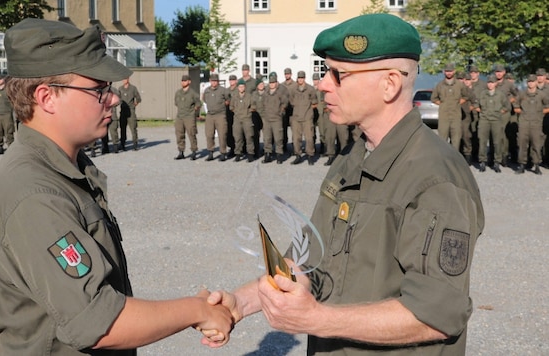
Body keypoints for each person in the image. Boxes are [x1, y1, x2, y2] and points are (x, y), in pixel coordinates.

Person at [203, 13, 484, 355]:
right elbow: (309, 261)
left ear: (390, 84)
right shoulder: (352, 159)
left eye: (338, 74)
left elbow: (435, 315)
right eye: (325, 72)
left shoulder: (435, 179)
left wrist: (317, 319)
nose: (323, 84)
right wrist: (241, 304)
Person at [0, 18, 233, 355]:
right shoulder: (34, 194)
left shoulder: (64, 167)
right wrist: (197, 310)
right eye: (98, 89)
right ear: (47, 97)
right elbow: (99, 323)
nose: (112, 99)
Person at [513, 74, 549, 174]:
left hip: (536, 123)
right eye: (529, 81)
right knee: (522, 144)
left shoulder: (541, 95)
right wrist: (521, 112)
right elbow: (515, 105)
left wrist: (541, 113)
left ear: (536, 82)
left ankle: (536, 165)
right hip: (524, 123)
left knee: (536, 145)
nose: (531, 83)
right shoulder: (522, 94)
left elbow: (547, 106)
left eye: (533, 81)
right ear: (527, 82)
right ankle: (522, 165)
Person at [475, 74, 510, 172]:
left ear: (495, 84)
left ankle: (497, 162)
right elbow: (476, 104)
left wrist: (499, 112)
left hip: (496, 120)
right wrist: (481, 111)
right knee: (482, 141)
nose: (490, 85)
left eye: (492, 83)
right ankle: (482, 161)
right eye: (489, 82)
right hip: (484, 120)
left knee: (497, 142)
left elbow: (507, 106)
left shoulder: (500, 94)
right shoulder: (482, 94)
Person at [431, 63, 468, 150]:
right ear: (444, 72)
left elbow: (466, 96)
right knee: (442, 139)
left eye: (450, 71)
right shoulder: (440, 85)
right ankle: (443, 160)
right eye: (447, 71)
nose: (449, 73)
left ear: (454, 71)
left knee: (456, 140)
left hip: (456, 116)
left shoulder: (459, 84)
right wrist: (443, 104)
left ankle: (454, 160)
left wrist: (458, 103)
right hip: (444, 116)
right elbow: (433, 98)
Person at [289, 70, 317, 165]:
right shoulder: (293, 89)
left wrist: (308, 111)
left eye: (302, 78)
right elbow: (291, 101)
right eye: (299, 78)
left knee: (309, 138)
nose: (300, 80)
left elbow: (314, 102)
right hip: (296, 117)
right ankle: (298, 155)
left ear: (304, 78)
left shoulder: (310, 89)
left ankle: (310, 155)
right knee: (296, 138)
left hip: (307, 117)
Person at [260, 72, 288, 164]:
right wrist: (263, 115)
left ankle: (279, 155)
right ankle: (267, 154)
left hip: (276, 119)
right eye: (271, 83)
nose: (272, 84)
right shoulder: (265, 93)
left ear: (276, 83)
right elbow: (261, 105)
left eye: (273, 82)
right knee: (267, 138)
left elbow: (285, 103)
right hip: (267, 119)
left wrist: (280, 112)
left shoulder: (280, 93)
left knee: (278, 137)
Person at [202, 73, 230, 161]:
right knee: (209, 134)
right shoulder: (207, 90)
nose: (213, 83)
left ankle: (223, 153)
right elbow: (204, 99)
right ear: (210, 81)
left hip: (220, 115)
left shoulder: (223, 90)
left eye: (215, 81)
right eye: (212, 81)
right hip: (210, 115)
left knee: (222, 134)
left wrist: (225, 104)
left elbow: (228, 99)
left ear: (218, 81)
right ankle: (210, 152)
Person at [174, 74, 201, 160]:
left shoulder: (193, 93)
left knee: (191, 134)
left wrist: (194, 111)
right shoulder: (178, 93)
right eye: (182, 81)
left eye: (185, 81)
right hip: (180, 116)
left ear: (189, 82)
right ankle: (181, 152)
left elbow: (198, 103)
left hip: (189, 116)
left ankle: (194, 151)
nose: (183, 82)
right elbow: (176, 103)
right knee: (179, 134)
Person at [230, 78, 255, 162]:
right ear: (238, 87)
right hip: (237, 119)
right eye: (240, 87)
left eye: (242, 87)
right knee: (237, 137)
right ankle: (238, 154)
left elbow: (253, 106)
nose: (241, 88)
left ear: (245, 87)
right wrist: (237, 112)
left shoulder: (249, 96)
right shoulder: (234, 96)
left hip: (247, 119)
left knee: (249, 137)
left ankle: (250, 154)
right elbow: (231, 107)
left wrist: (247, 111)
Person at [0, 74, 15, 155]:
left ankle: (11, 146)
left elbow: (13, 101)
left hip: (6, 113)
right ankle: (0, 146)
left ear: (4, 80)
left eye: (0, 79)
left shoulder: (8, 90)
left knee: (8, 131)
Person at [118, 76, 141, 151]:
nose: (124, 80)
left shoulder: (133, 88)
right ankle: (122, 144)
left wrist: (134, 105)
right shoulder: (120, 89)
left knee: (133, 128)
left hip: (131, 111)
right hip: (123, 111)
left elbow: (138, 98)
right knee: (122, 128)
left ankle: (135, 144)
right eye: (123, 79)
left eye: (125, 79)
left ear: (128, 79)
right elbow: (118, 99)